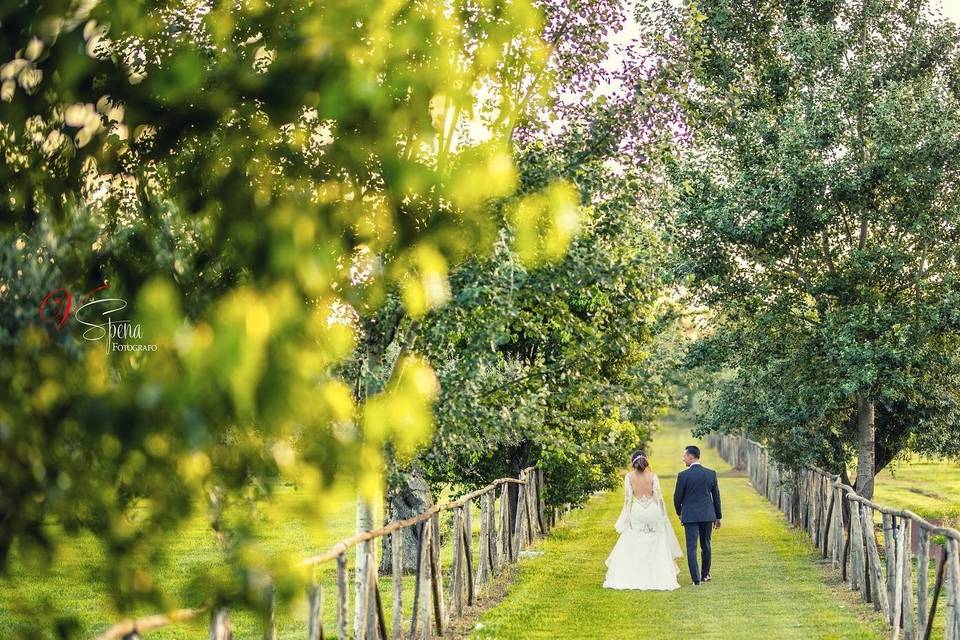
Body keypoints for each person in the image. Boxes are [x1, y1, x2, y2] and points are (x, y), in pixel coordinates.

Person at [603, 449, 682, 590]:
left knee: (634, 539)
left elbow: (628, 499)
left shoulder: (628, 477)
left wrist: (625, 517)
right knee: (656, 540)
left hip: (637, 510)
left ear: (633, 463)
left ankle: (633, 573)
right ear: (646, 461)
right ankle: (658, 574)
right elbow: (659, 497)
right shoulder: (653, 476)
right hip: (652, 510)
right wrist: (663, 515)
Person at [672, 444, 722, 585]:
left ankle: (696, 579)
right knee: (706, 544)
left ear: (691, 456)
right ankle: (705, 575)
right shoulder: (711, 474)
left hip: (690, 516)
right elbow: (716, 498)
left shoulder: (683, 476)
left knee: (691, 547)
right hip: (707, 515)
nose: (683, 459)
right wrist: (718, 517)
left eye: (684, 456)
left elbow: (677, 497)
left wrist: (679, 512)